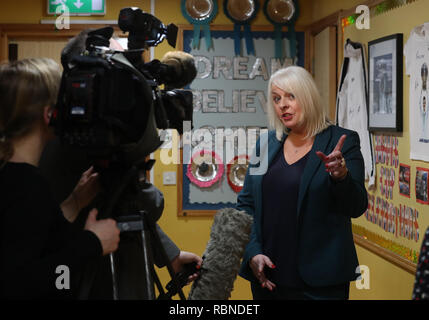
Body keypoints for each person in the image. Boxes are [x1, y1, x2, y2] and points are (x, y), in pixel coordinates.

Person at [237, 66, 368, 300]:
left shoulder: (342, 141)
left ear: (307, 96)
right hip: (268, 279)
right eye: (276, 99)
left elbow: (357, 207)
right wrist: (252, 252)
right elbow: (246, 205)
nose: (282, 105)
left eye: (290, 96)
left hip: (321, 285)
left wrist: (341, 178)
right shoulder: (265, 144)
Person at [0, 58, 120, 299]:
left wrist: (75, 201)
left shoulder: (14, 177)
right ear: (49, 115)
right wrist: (93, 244)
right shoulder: (25, 186)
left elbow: (32, 238)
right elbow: (19, 284)